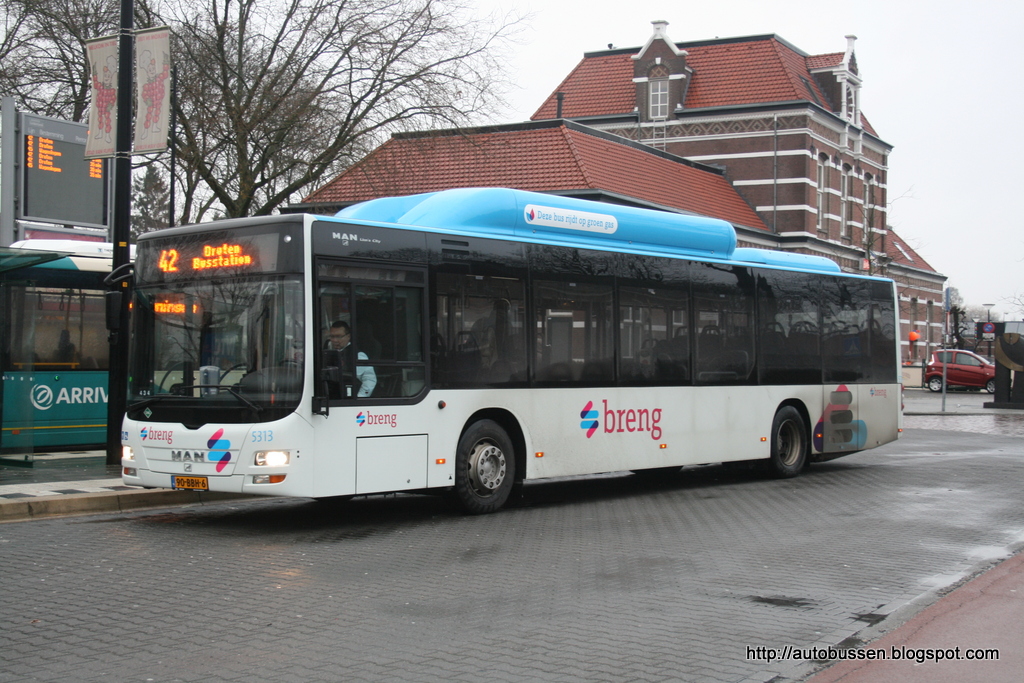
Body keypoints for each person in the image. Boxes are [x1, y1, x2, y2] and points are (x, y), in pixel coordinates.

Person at [325, 320, 376, 397]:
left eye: (339, 336)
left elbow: (370, 380)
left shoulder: (358, 355)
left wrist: (359, 398)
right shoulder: (328, 352)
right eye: (332, 336)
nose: (335, 340)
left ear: (348, 336)